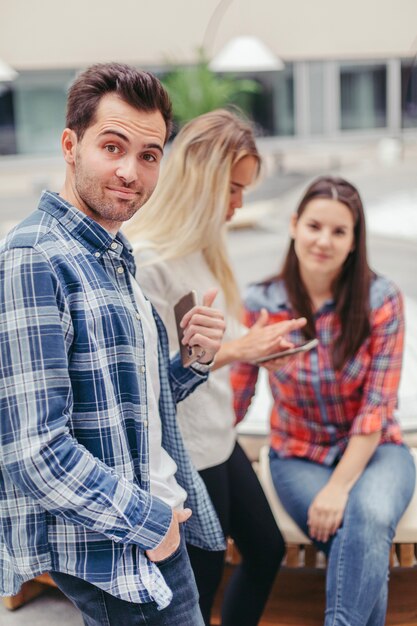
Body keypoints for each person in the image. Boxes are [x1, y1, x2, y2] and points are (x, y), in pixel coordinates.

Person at [0, 63, 228, 626]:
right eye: (112, 146)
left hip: (148, 533)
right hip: (119, 549)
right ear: (70, 145)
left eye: (149, 156)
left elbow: (128, 409)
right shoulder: (35, 258)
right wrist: (153, 523)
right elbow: (36, 452)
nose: (131, 171)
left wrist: (191, 363)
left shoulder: (112, 252)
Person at [124, 109, 306, 626]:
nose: (239, 204)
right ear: (203, 180)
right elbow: (151, 383)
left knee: (266, 549)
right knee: (201, 582)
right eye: (233, 189)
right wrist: (241, 349)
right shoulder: (149, 262)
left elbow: (204, 352)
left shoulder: (204, 250)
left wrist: (254, 348)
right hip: (188, 452)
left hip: (219, 436)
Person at [232, 175, 416, 626]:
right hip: (297, 454)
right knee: (360, 537)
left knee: (365, 517)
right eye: (315, 226)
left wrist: (338, 487)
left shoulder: (381, 300)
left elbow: (377, 407)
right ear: (294, 225)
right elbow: (235, 400)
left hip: (378, 451)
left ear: (355, 241)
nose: (324, 241)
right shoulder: (261, 303)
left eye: (339, 231)